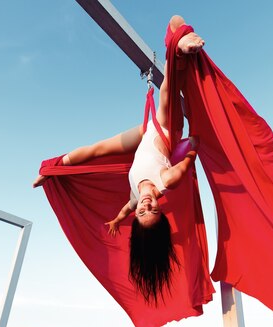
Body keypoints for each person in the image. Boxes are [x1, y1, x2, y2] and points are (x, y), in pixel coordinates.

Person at [33, 16, 204, 304]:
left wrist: (115, 218)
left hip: (143, 133)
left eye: (141, 214)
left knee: (96, 151)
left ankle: (55, 166)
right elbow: (189, 160)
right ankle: (177, 44)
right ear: (161, 212)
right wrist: (195, 145)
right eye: (152, 211)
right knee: (166, 95)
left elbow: (127, 206)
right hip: (167, 131)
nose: (145, 207)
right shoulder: (167, 181)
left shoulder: (136, 200)